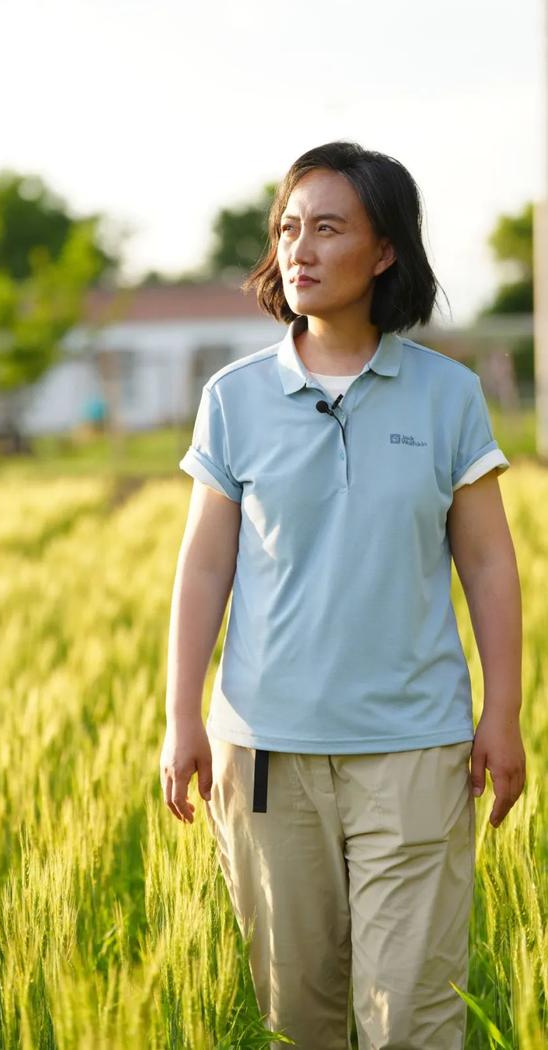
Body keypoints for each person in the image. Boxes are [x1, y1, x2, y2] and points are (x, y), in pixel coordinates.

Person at [159, 141, 525, 1050]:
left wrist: (505, 711)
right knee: (303, 1020)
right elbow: (204, 567)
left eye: (328, 228)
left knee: (414, 1019)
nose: (300, 249)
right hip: (268, 755)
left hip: (416, 753)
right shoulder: (233, 398)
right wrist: (181, 718)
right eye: (288, 228)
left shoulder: (449, 395)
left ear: (386, 251)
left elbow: (488, 564)